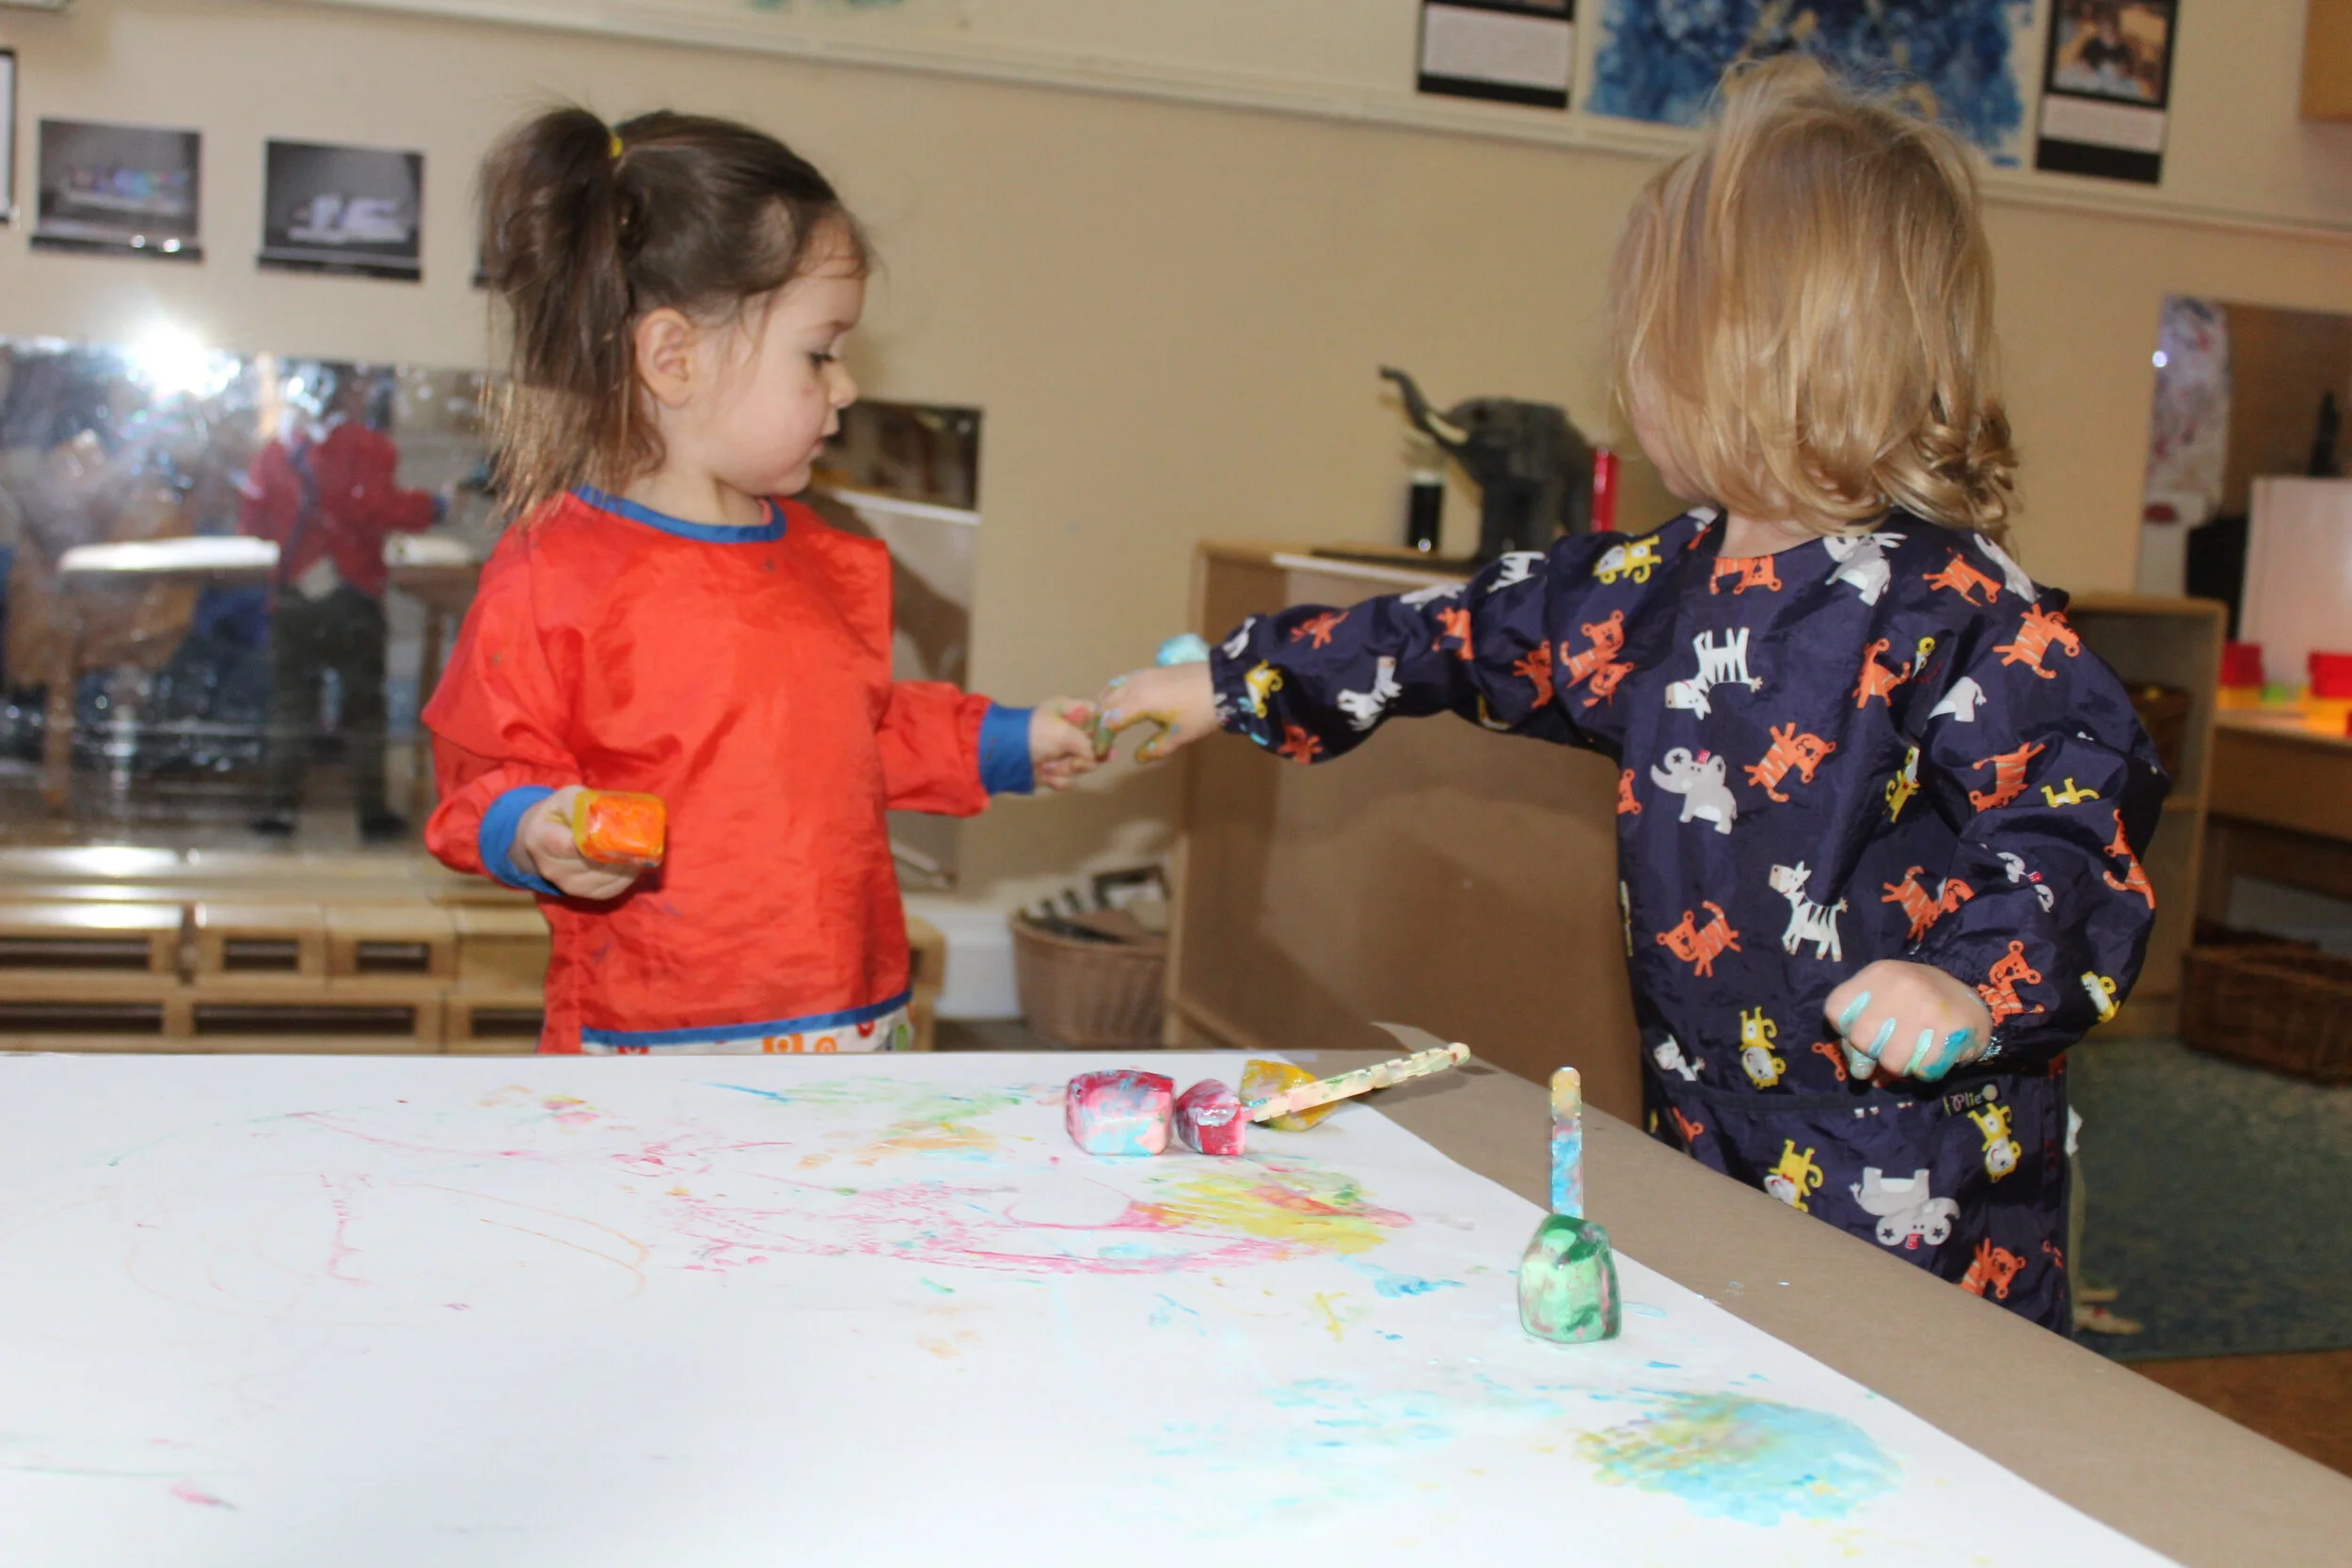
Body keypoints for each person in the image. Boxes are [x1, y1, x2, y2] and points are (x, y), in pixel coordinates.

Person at [1096, 58, 2165, 1332]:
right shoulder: (1656, 588)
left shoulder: (1953, 611)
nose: (1627, 376)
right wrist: (1234, 678)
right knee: (1731, 1369)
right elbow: (1457, 630)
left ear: (1756, 354)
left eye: (1652, 343)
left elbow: (2080, 811)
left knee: (1919, 1432)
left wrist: (1970, 983)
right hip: (1704, 1125)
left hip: (1916, 1173)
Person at [423, 107, 1099, 1054]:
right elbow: (480, 777)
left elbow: (853, 735)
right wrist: (536, 826)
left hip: (853, 1013)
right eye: (819, 352)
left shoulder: (831, 561)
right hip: (655, 1037)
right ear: (674, 357)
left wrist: (1016, 738)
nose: (848, 386)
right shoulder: (555, 575)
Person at [242, 364, 441, 840]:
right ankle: (372, 811)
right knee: (364, 709)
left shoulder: (279, 449)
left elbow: (254, 520)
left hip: (293, 594)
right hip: (354, 594)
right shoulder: (367, 446)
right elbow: (374, 506)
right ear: (350, 388)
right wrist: (436, 506)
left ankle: (280, 809)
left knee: (291, 705)